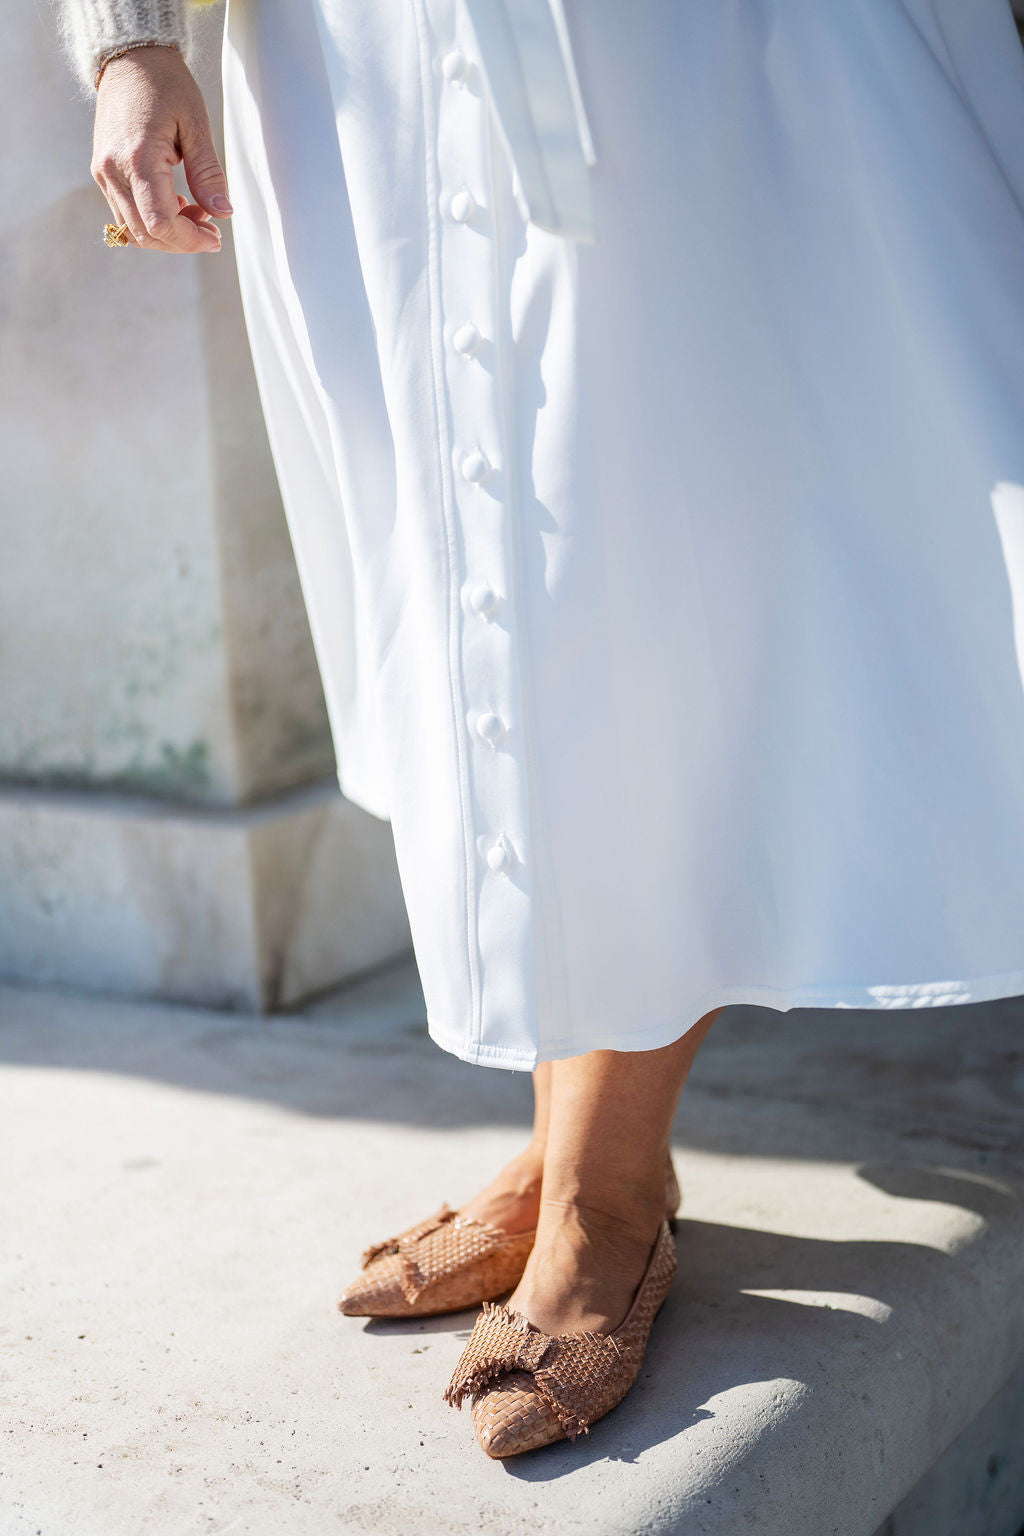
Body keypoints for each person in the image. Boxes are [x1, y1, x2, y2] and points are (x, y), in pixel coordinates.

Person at [58, 0, 1024, 1460]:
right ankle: (571, 1142)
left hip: (687, 46)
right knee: (476, 581)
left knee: (637, 556)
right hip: (357, 54)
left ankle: (606, 1187)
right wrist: (130, 34)